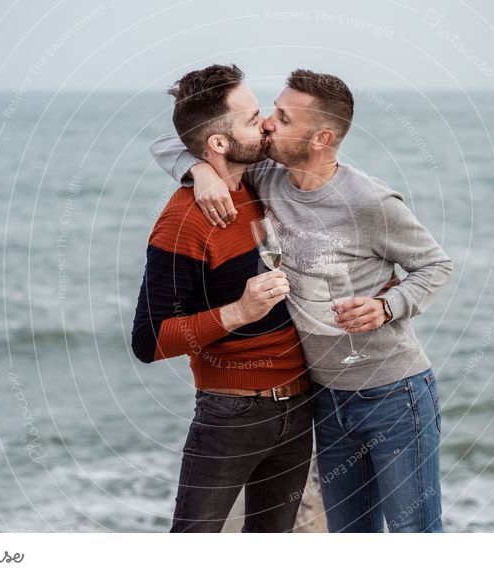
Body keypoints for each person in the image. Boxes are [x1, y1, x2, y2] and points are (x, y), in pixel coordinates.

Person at [150, 69, 454, 532]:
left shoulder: (370, 202)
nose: (268, 123)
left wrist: (388, 306)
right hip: (325, 398)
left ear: (320, 137)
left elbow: (436, 265)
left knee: (415, 533)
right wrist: (200, 174)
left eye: (283, 117)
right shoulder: (268, 176)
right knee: (352, 535)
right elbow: (182, 141)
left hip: (394, 392)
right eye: (269, 110)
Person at [131, 64, 313, 533]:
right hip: (230, 413)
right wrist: (239, 312)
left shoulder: (258, 181)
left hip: (298, 406)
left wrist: (200, 168)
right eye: (253, 119)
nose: (267, 125)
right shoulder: (183, 223)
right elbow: (148, 341)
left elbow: (178, 141)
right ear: (219, 143)